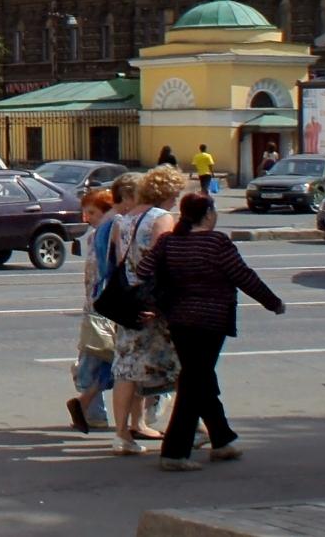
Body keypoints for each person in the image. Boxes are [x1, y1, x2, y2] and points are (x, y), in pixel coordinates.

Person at [138, 191, 285, 470]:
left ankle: (221, 441)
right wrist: (273, 302)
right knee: (195, 382)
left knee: (199, 378)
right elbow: (243, 276)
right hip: (210, 321)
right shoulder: (216, 242)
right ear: (207, 214)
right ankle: (174, 453)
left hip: (178, 320)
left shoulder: (169, 242)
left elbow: (144, 269)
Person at [107, 166, 186, 453]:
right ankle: (193, 427)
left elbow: (119, 260)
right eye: (176, 193)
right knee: (179, 366)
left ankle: (121, 434)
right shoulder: (161, 219)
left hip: (128, 302)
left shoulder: (123, 220)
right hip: (152, 306)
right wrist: (156, 301)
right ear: (166, 193)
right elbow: (161, 264)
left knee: (126, 368)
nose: (177, 199)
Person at [66, 187, 118, 433]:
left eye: (92, 212)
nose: (87, 218)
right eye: (85, 212)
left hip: (103, 308)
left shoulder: (107, 234)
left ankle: (91, 409)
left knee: (99, 361)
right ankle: (91, 410)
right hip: (97, 308)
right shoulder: (97, 236)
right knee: (99, 360)